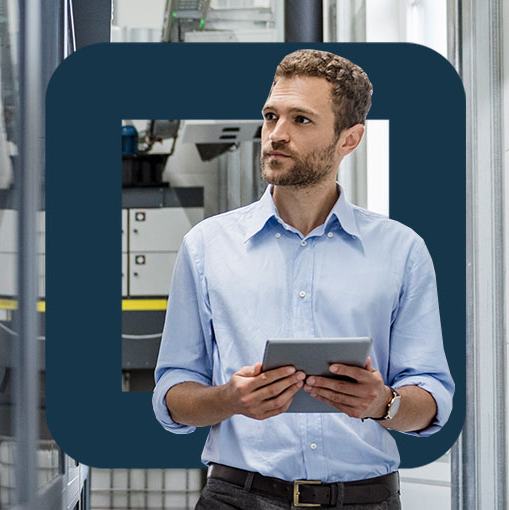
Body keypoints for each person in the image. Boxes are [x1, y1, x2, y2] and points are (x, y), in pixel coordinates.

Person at [152, 49, 454, 510]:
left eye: (301, 120)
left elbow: (431, 398)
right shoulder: (206, 246)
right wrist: (229, 399)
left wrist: (383, 403)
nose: (276, 135)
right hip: (237, 497)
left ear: (349, 139)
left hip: (365, 500)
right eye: (271, 116)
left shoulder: (402, 250)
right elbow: (173, 394)